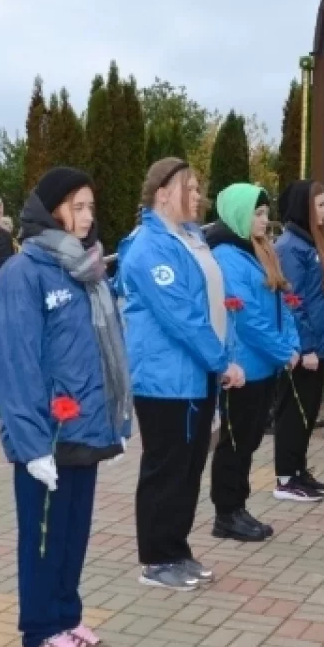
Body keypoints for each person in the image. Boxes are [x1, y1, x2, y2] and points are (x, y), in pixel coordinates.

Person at [0, 167, 129, 647]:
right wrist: (30, 445)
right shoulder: (23, 274)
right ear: (53, 211)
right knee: (43, 536)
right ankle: (39, 630)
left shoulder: (87, 270)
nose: (89, 218)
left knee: (73, 533)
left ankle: (68, 617)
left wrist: (115, 422)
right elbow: (14, 364)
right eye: (80, 207)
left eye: (92, 207)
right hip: (47, 435)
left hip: (85, 428)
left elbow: (105, 353)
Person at [120, 157, 243, 591]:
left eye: (198, 189)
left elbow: (213, 303)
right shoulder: (149, 247)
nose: (198, 196)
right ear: (162, 193)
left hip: (195, 377)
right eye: (189, 189)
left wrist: (219, 358)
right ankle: (156, 559)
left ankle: (177, 549)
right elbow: (183, 317)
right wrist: (221, 361)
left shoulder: (190, 238)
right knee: (165, 469)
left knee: (189, 469)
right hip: (165, 380)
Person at [206, 183, 298, 541]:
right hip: (244, 366)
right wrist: (282, 351)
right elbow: (248, 319)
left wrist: (291, 344)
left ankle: (238, 507)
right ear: (240, 215)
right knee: (235, 442)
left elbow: (281, 301)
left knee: (248, 441)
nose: (264, 220)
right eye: (257, 214)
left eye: (265, 213)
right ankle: (226, 513)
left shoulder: (258, 250)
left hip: (264, 364)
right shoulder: (228, 256)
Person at [273, 180, 324, 501]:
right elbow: (294, 301)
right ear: (304, 207)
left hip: (320, 345)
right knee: (294, 413)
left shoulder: (312, 243)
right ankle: (285, 477)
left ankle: (299, 470)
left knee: (308, 413)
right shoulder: (290, 247)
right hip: (304, 349)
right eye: (321, 205)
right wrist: (308, 346)